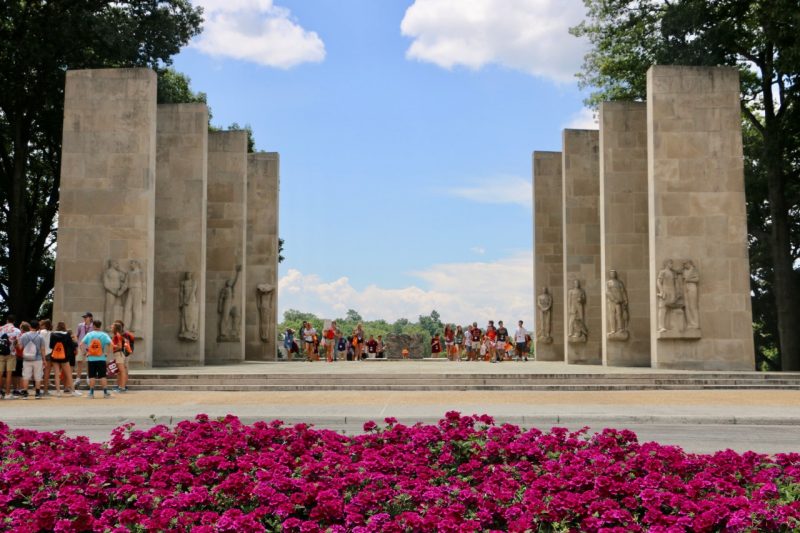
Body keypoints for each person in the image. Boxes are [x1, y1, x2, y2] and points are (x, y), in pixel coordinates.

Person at [80, 320, 113, 399]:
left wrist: (84, 353)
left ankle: (91, 393)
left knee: (92, 376)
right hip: (101, 358)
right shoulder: (104, 335)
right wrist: (107, 353)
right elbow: (111, 344)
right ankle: (105, 393)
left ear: (93, 326)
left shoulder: (89, 334)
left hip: (91, 359)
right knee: (103, 376)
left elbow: (81, 344)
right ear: (100, 326)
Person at [17, 321, 45, 399]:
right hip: (38, 359)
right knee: (38, 376)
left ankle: (25, 393)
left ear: (30, 327)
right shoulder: (40, 337)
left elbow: (20, 348)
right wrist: (44, 360)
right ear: (37, 327)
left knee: (26, 376)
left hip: (26, 359)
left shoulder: (24, 336)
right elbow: (43, 349)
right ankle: (37, 393)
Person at [49, 322, 77, 397]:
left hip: (55, 356)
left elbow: (51, 345)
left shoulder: (53, 334)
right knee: (68, 374)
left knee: (56, 374)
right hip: (64, 356)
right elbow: (71, 345)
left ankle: (58, 391)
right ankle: (73, 391)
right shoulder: (67, 334)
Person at [0, 315, 20, 399]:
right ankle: (7, 393)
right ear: (14, 321)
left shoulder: (1, 328)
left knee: (0, 373)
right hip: (11, 353)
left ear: (7, 320)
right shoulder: (16, 330)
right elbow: (17, 344)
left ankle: (0, 393)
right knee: (9, 374)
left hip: (0, 353)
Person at [74, 312, 94, 389]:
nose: (85, 318)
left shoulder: (93, 326)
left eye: (86, 317)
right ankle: (78, 379)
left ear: (90, 318)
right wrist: (78, 344)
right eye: (84, 317)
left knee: (89, 363)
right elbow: (77, 335)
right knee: (79, 362)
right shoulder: (80, 325)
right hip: (81, 346)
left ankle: (88, 378)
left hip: (90, 347)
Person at [111, 322, 131, 392]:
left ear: (115, 328)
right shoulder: (118, 335)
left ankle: (122, 388)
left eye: (112, 326)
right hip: (119, 354)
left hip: (119, 354)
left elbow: (119, 346)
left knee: (122, 371)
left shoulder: (117, 335)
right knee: (120, 371)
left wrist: (112, 346)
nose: (111, 327)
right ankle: (121, 387)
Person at [39, 319, 53, 395]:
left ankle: (38, 389)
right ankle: (45, 390)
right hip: (49, 353)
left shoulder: (40, 332)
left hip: (41, 353)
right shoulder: (51, 333)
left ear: (44, 325)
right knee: (47, 374)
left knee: (39, 372)